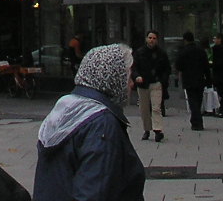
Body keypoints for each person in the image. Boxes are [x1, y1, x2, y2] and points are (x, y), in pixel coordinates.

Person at [34, 43, 145, 201]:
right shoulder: (102, 123)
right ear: (113, 78)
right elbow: (94, 192)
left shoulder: (67, 109)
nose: (132, 83)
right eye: (127, 76)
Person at [130, 30, 170, 143]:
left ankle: (157, 130)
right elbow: (134, 67)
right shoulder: (139, 53)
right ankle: (147, 129)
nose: (152, 40)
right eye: (150, 38)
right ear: (146, 39)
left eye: (154, 38)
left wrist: (162, 80)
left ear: (157, 40)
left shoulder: (161, 53)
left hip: (156, 83)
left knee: (156, 107)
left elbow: (166, 69)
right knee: (144, 108)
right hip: (143, 84)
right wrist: (137, 76)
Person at [173, 32, 207, 131]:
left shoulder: (183, 52)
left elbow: (178, 65)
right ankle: (196, 120)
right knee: (198, 100)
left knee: (192, 101)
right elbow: (206, 66)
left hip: (188, 79)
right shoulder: (201, 51)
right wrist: (208, 79)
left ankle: (197, 122)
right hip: (200, 79)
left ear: (185, 40)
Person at [208, 33, 223, 117]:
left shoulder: (219, 50)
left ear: (220, 39)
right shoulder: (222, 49)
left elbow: (219, 63)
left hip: (221, 75)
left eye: (215, 38)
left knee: (222, 93)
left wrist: (212, 64)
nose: (214, 40)